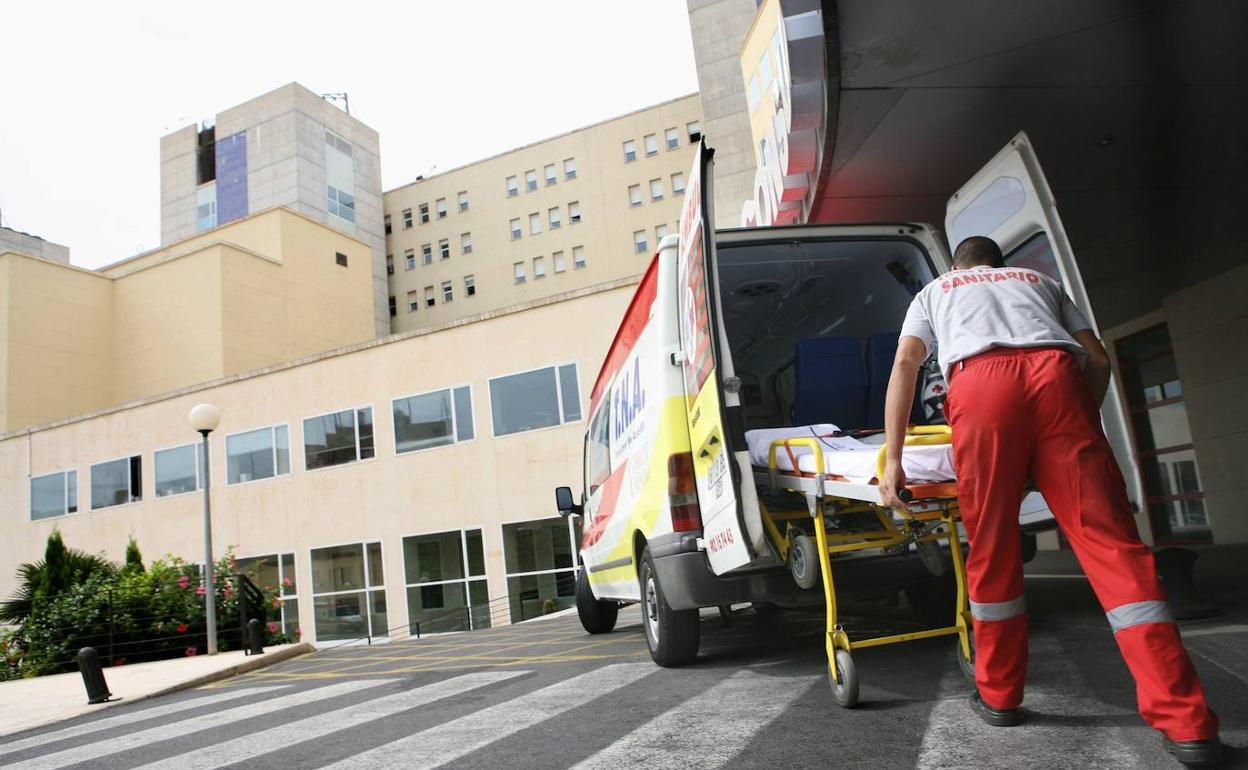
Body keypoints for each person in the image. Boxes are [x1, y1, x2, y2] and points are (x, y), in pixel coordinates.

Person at [878, 236, 1222, 767]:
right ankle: (1189, 725)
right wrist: (1070, 424)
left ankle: (1000, 696)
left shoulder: (935, 291)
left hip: (982, 389)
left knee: (992, 547)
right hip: (1059, 381)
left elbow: (906, 363)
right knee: (1115, 550)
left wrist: (893, 458)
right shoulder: (1042, 283)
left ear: (956, 266)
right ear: (1002, 266)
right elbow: (1100, 361)